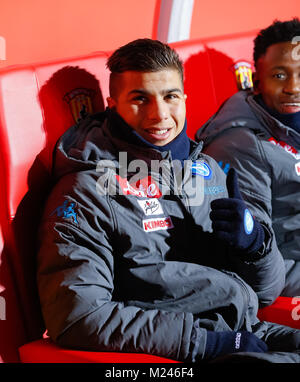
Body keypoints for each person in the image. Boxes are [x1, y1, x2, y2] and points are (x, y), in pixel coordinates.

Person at [37, 38, 300, 363]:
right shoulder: (86, 191)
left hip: (243, 328)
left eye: (170, 96)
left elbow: (266, 292)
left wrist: (255, 246)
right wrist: (208, 343)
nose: (159, 114)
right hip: (178, 351)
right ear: (113, 104)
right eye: (139, 99)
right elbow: (78, 317)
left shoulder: (208, 171)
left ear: (184, 100)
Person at [196, 18, 300, 297]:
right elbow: (258, 268)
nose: (293, 87)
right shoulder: (240, 145)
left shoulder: (291, 123)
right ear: (257, 79)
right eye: (280, 75)